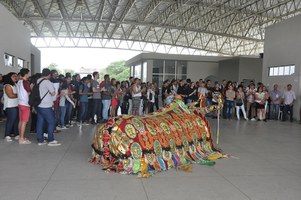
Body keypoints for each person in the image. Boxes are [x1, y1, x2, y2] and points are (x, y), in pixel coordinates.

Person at [36, 68, 61, 146]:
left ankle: (40, 140)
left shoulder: (38, 80)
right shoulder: (47, 82)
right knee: (51, 122)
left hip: (39, 104)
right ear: (49, 74)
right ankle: (51, 140)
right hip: (46, 105)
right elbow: (53, 93)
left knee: (40, 122)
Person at [16, 68, 31, 144]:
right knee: (24, 122)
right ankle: (21, 139)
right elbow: (29, 93)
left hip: (20, 103)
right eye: (28, 73)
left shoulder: (19, 81)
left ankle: (21, 136)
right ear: (25, 74)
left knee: (21, 121)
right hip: (25, 104)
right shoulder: (25, 82)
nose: (29, 75)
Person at [3, 72, 19, 142]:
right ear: (9, 78)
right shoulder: (7, 86)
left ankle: (16, 134)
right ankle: (7, 135)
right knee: (10, 121)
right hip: (10, 106)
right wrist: (19, 95)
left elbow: (14, 94)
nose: (15, 77)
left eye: (16, 76)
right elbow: (11, 95)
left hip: (16, 105)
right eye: (13, 76)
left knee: (16, 121)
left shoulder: (15, 85)